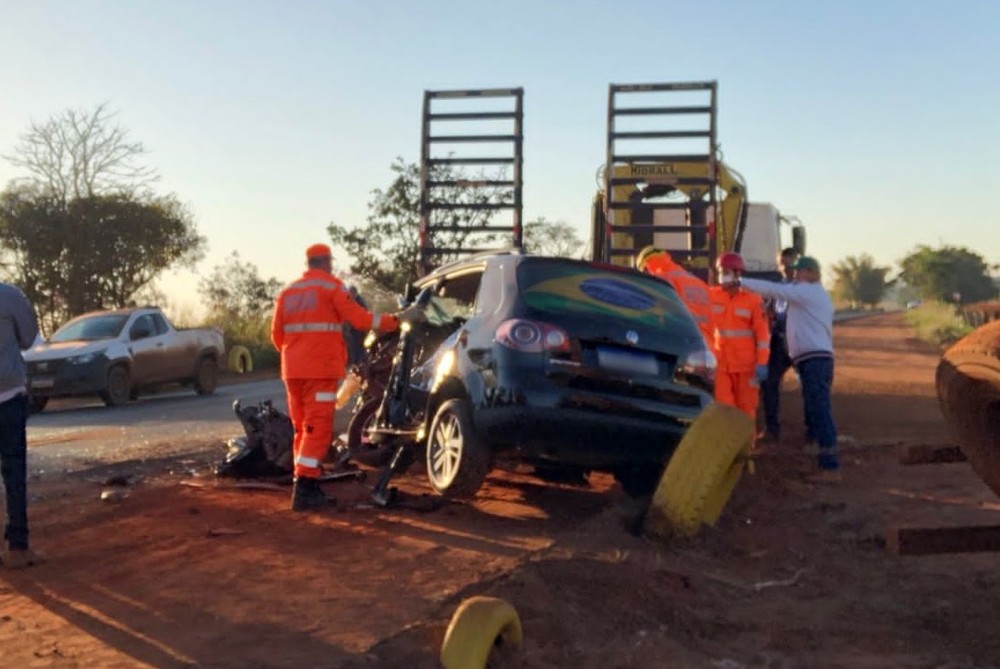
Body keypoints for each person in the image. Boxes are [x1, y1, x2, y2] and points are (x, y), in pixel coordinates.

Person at [272, 243, 407, 511]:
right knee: (318, 428)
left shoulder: (288, 292)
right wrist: (397, 320)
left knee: (302, 428)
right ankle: (305, 489)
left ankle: (305, 479)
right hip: (319, 370)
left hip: (292, 370)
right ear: (327, 263)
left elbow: (276, 336)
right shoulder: (332, 287)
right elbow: (359, 320)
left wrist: (295, 354)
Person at [740, 256, 840, 482]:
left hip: (814, 360)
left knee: (820, 411)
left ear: (812, 273)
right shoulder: (812, 295)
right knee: (817, 409)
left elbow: (773, 290)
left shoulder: (808, 292)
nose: (795, 275)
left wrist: (739, 281)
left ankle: (830, 467)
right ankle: (822, 459)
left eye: (800, 271)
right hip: (813, 359)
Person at [0, 281, 44, 569]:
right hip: (9, 394)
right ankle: (18, 545)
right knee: (14, 470)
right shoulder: (10, 295)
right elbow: (29, 339)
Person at [708, 252, 770, 420]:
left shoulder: (753, 301)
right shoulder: (711, 296)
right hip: (721, 365)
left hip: (747, 368)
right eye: (721, 272)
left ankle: (747, 446)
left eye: (726, 272)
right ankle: (729, 446)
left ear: (737, 274)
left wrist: (762, 362)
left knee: (746, 409)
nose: (722, 276)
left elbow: (763, 335)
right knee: (724, 408)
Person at [758, 247, 800, 447]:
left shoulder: (805, 288)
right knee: (769, 383)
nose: (785, 267)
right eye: (782, 263)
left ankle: (814, 432)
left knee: (810, 387)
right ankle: (772, 429)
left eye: (789, 263)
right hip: (779, 340)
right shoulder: (776, 290)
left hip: (800, 342)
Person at [635, 246, 714, 347]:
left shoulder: (660, 281)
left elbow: (657, 316)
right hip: (706, 345)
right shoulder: (698, 282)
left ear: (645, 266)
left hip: (681, 343)